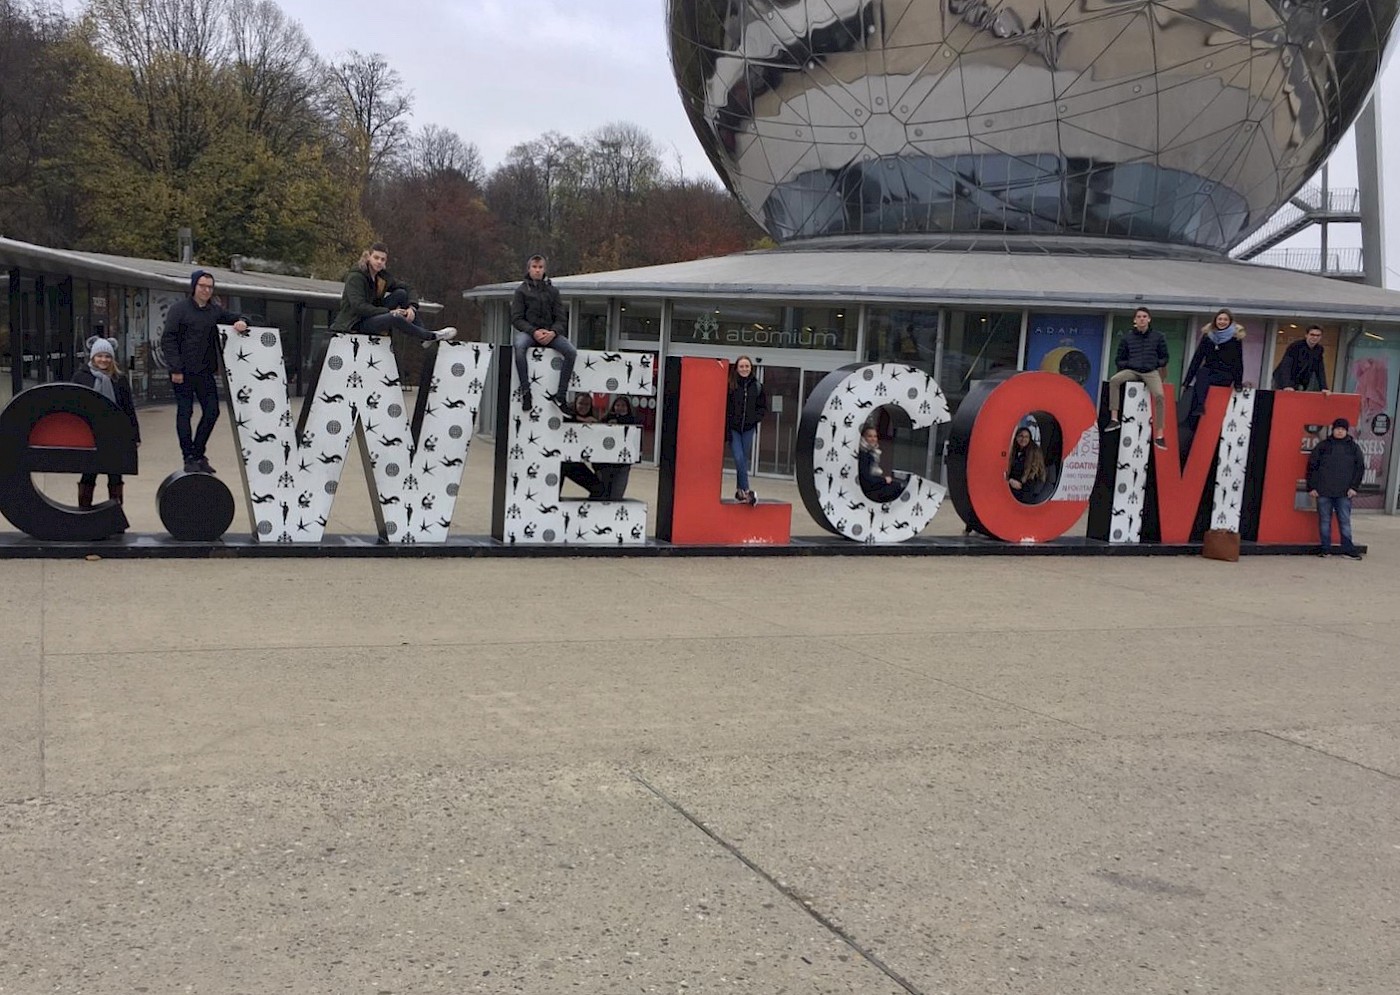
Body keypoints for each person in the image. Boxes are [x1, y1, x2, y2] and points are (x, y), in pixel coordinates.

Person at [161, 269, 249, 474]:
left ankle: (198, 453)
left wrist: (242, 321)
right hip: (182, 372)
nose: (206, 290)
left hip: (205, 371)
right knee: (185, 413)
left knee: (212, 411)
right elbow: (168, 339)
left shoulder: (214, 311)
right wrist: (175, 368)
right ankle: (188, 456)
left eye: (210, 287)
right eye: (202, 286)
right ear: (194, 287)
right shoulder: (179, 310)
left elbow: (236, 317)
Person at [329, 242, 457, 347]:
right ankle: (430, 336)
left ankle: (423, 338)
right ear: (368, 257)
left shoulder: (382, 277)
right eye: (376, 258)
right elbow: (359, 307)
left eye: (382, 259)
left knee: (401, 293)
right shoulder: (356, 277)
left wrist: (412, 307)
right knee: (395, 318)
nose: (379, 262)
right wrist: (388, 312)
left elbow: (408, 288)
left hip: (372, 315)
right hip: (355, 322)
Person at [72, 334, 139, 513]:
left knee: (115, 474)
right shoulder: (81, 377)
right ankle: (84, 511)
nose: (104, 360)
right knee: (89, 473)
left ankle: (115, 514)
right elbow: (73, 406)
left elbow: (128, 408)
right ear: (93, 356)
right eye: (100, 356)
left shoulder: (119, 379)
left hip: (114, 433)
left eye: (108, 356)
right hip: (90, 433)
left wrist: (135, 435)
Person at [510, 255, 575, 414]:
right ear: (529, 269)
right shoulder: (521, 291)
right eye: (534, 267)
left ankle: (561, 396)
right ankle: (526, 391)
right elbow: (516, 318)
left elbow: (561, 318)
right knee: (519, 348)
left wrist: (553, 332)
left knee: (571, 352)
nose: (537, 270)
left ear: (544, 269)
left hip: (550, 333)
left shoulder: (553, 291)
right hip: (529, 332)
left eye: (540, 267)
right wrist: (533, 331)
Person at [1105, 307, 1169, 449]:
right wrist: (1129, 364)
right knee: (1114, 380)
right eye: (1139, 316)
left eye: (1144, 316)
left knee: (1159, 395)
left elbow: (1165, 357)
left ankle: (1159, 435)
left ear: (1149, 319)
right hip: (1132, 370)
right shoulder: (1127, 337)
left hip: (1150, 371)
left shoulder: (1158, 337)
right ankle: (1114, 419)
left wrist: (1155, 364)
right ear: (1134, 320)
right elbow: (1119, 359)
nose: (1141, 319)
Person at [1307, 417, 1365, 559]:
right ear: (1333, 430)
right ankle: (1325, 549)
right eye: (1337, 429)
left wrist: (1354, 487)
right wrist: (1312, 487)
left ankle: (1348, 550)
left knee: (1344, 522)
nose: (1340, 431)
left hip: (1345, 492)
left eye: (1343, 429)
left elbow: (1359, 468)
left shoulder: (1353, 448)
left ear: (1347, 431)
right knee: (1324, 521)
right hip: (1323, 491)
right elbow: (1312, 467)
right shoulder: (1323, 446)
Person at [1180, 308, 1247, 430]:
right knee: (1201, 375)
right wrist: (1187, 381)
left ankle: (1205, 415)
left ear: (1230, 322)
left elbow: (1238, 361)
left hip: (1225, 373)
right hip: (1209, 370)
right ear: (1215, 321)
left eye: (1225, 319)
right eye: (1220, 319)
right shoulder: (1208, 336)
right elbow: (1197, 358)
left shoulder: (1235, 338)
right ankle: (1197, 411)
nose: (1222, 322)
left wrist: (1238, 382)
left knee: (1206, 385)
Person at [725, 355, 767, 504]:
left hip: (748, 429)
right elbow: (725, 407)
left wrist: (755, 418)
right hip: (734, 429)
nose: (744, 369)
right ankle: (747, 491)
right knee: (739, 458)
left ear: (751, 368)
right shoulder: (730, 385)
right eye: (741, 366)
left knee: (742, 459)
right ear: (736, 368)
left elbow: (763, 407)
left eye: (747, 366)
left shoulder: (757, 386)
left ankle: (739, 492)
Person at [560, 393, 605, 499]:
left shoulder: (592, 421)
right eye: (581, 403)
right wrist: (582, 420)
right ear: (575, 403)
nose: (583, 407)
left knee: (598, 489)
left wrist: (597, 469)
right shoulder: (565, 415)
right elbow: (565, 417)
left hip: (574, 464)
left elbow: (594, 446)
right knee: (553, 495)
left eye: (587, 404)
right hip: (559, 462)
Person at [596, 395, 639, 500]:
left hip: (622, 466)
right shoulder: (606, 418)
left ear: (628, 407)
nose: (620, 408)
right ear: (613, 406)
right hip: (605, 464)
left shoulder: (633, 421)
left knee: (617, 495)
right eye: (618, 405)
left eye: (623, 405)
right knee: (602, 494)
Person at [1272, 324, 1331, 393]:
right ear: (1306, 335)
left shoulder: (1319, 349)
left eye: (1318, 335)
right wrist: (1287, 385)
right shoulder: (1295, 346)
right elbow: (1286, 366)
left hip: (1300, 380)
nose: (1315, 337)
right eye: (1312, 335)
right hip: (1282, 379)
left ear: (1321, 337)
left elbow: (1320, 369)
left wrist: (1324, 387)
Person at [858, 425, 907, 503]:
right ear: (864, 438)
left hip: (875, 485)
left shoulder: (873, 453)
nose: (873, 439)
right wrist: (884, 480)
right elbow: (866, 478)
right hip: (869, 489)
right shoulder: (864, 454)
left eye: (875, 436)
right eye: (870, 436)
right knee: (897, 487)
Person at [1005, 427, 1046, 503]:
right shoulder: (1013, 450)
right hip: (1011, 485)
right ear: (1016, 437)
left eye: (1026, 437)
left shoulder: (1034, 451)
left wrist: (1019, 485)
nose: (1023, 439)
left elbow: (1034, 474)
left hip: (1026, 488)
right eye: (1021, 436)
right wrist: (1010, 481)